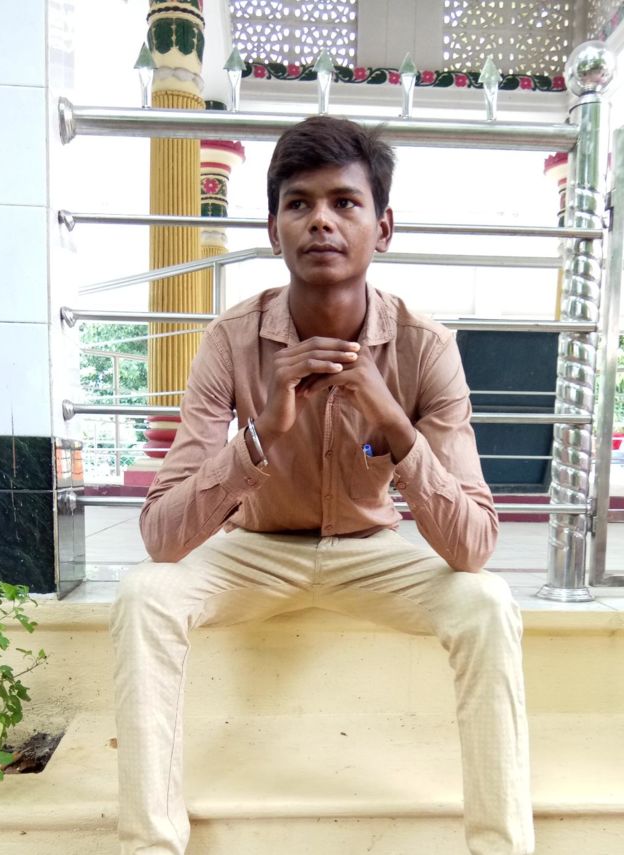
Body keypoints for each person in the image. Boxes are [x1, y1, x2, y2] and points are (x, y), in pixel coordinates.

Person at [111, 115, 534, 855]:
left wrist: (392, 421)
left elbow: (473, 547)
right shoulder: (230, 340)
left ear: (383, 227)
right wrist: (261, 434)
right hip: (254, 550)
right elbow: (162, 536)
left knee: (488, 603)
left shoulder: (425, 347)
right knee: (145, 594)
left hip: (372, 552)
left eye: (345, 202)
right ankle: (150, 847)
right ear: (273, 230)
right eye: (299, 204)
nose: (321, 222)